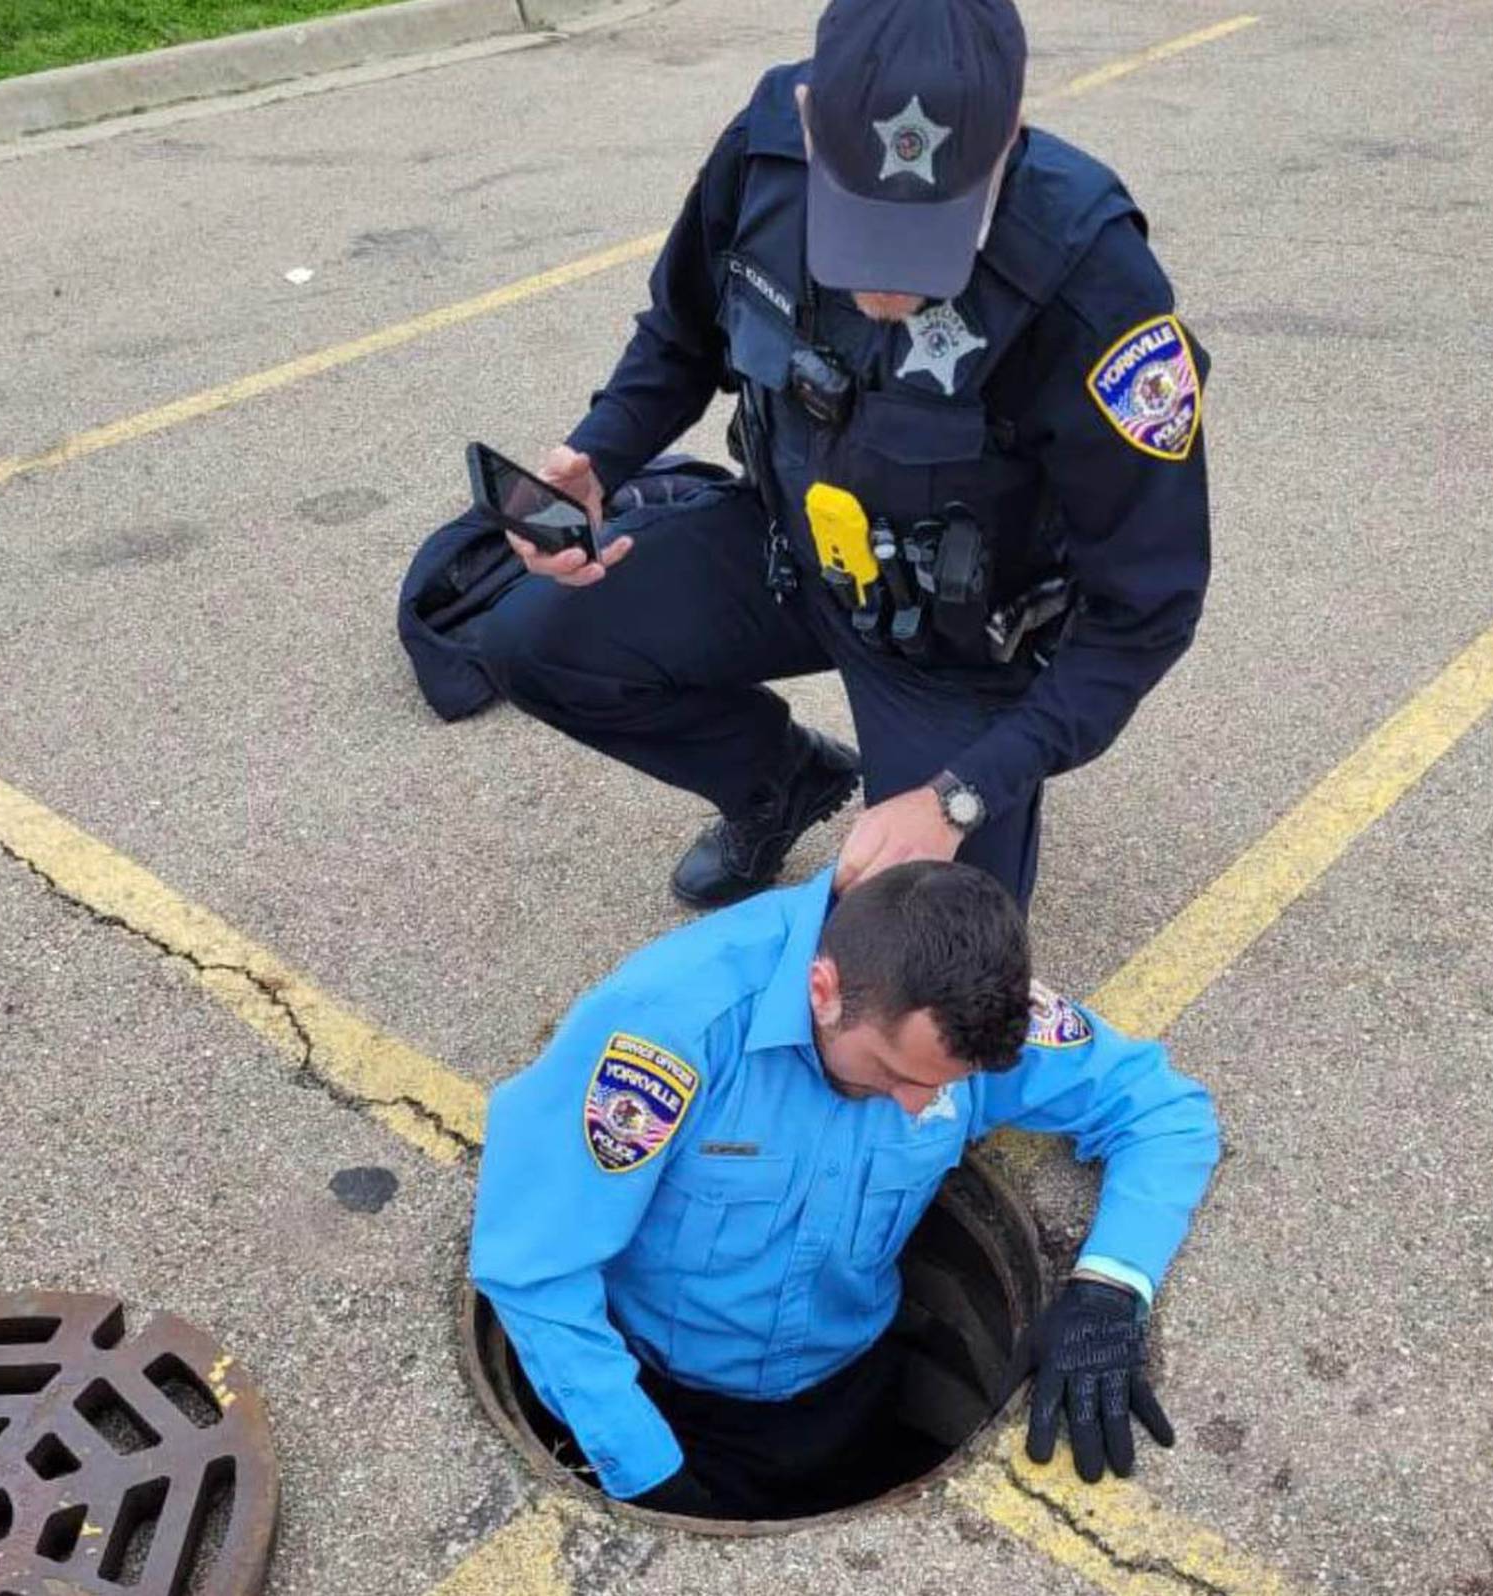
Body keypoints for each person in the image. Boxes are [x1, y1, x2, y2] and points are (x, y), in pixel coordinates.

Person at [465, 0, 1211, 912]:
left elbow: (1148, 607)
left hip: (955, 648)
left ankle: (944, 802)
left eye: (933, 233)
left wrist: (963, 790)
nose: (888, 283)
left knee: (915, 959)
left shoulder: (1093, 281)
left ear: (1010, 136)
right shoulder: (765, 149)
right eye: (863, 227)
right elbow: (681, 335)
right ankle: (777, 782)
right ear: (814, 124)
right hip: (789, 554)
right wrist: (600, 452)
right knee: (532, 641)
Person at [471, 861, 1219, 1516]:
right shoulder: (668, 1032)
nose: (919, 1105)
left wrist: (1110, 1289)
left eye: (944, 1086)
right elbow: (532, 1268)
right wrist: (648, 1475)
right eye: (895, 1073)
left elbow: (1163, 1110)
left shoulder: (965, 1009)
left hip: (847, 1389)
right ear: (824, 990)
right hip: (667, 1397)